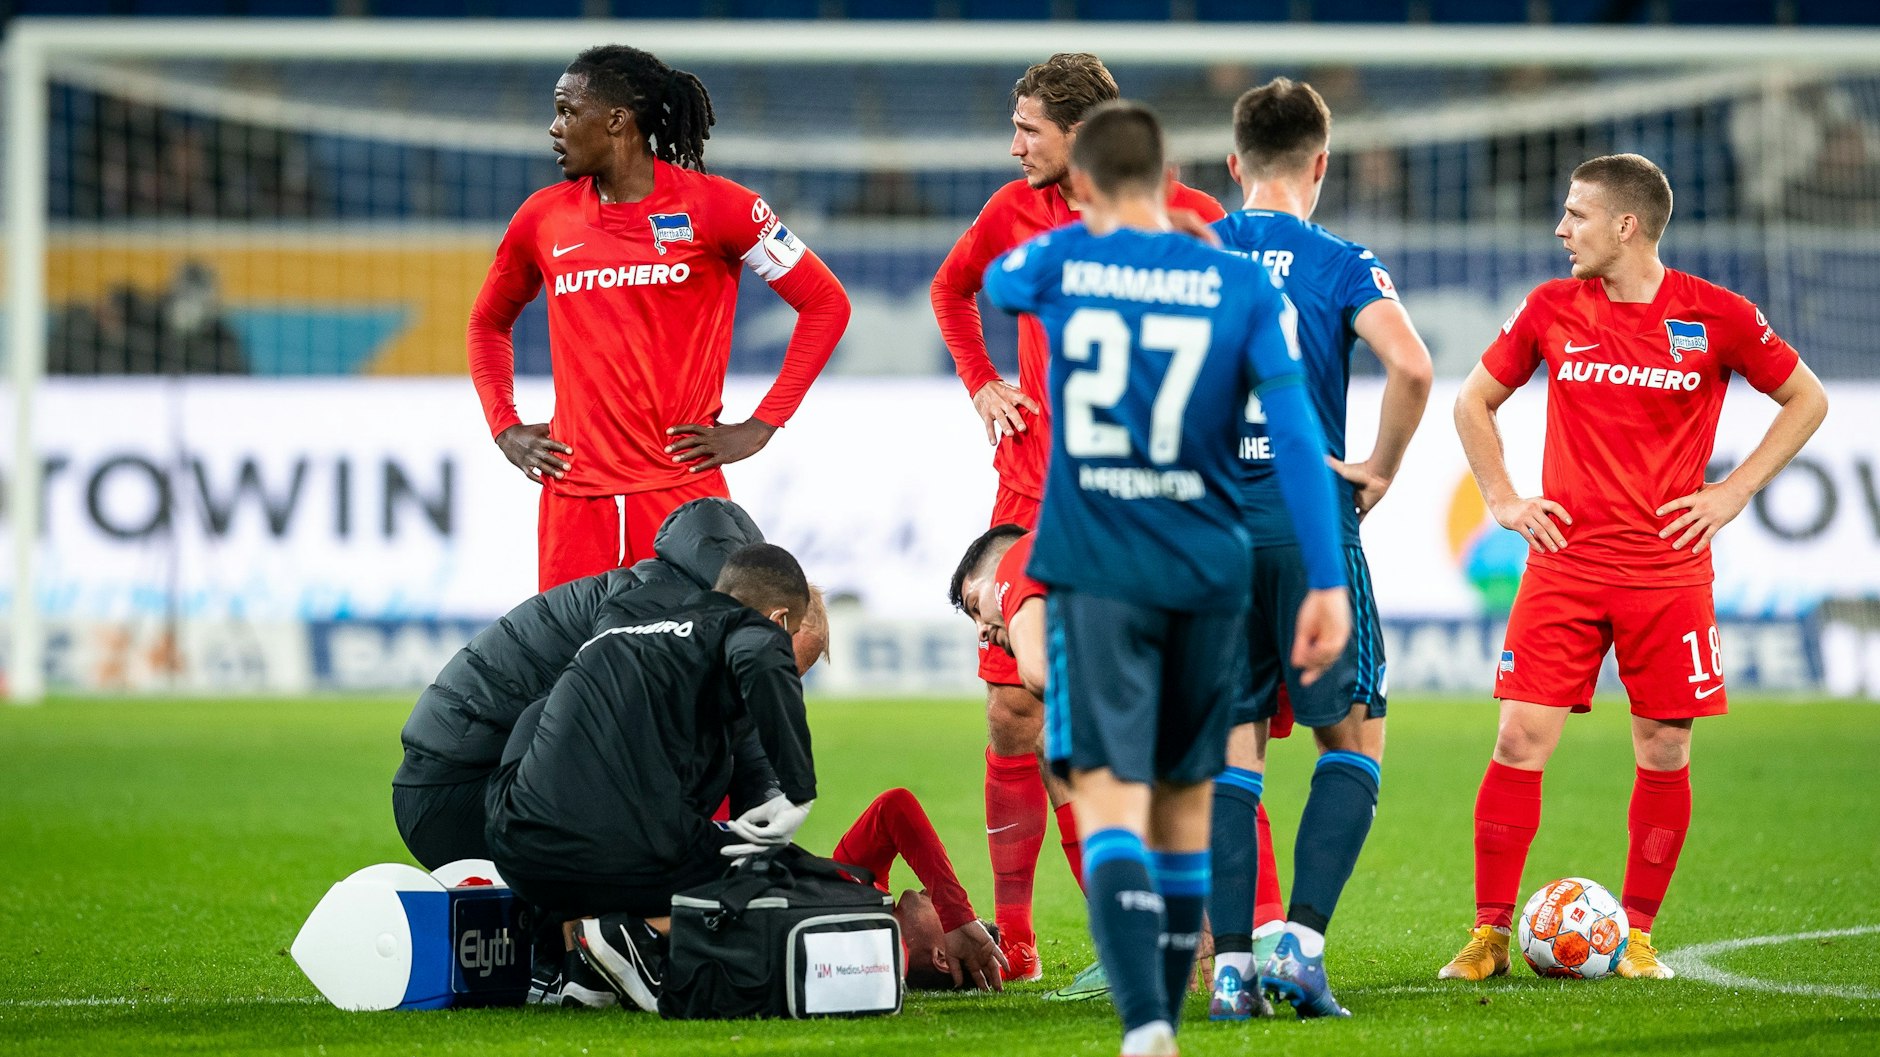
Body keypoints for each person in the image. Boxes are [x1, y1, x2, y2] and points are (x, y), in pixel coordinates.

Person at [981, 101, 1351, 1057]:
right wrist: (1325, 580)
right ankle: (1181, 1005)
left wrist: (1088, 235)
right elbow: (1301, 440)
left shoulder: (1063, 260)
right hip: (1207, 573)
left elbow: (1000, 276)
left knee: (1106, 796)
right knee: (1189, 806)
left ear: (1090, 185)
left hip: (1097, 569)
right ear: (1171, 176)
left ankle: (1148, 1026)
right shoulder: (1234, 284)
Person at [1439, 154, 1827, 982]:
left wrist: (1734, 490)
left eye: (1576, 214)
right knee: (1517, 737)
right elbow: (1471, 400)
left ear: (1626, 225)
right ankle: (1489, 935)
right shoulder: (1550, 307)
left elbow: (1808, 398)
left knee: (1662, 749)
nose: (1561, 229)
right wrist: (1505, 498)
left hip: (1669, 571)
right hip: (1564, 565)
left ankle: (1638, 935)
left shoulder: (1717, 316)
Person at [929, 51, 1228, 984]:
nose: (1012, 145)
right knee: (1014, 712)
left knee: (1136, 721)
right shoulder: (1012, 211)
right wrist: (983, 382)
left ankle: (1178, 932)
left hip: (1138, 509)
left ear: (1083, 137)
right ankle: (1017, 938)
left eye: (1029, 131)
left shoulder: (1188, 216)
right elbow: (952, 288)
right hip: (1030, 497)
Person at [1204, 77, 1435, 1021]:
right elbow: (1414, 365)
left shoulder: (1192, 254)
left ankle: (1226, 973)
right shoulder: (1341, 260)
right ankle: (1297, 947)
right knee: (1354, 734)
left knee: (1231, 750)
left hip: (1210, 528)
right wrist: (1376, 468)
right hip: (1308, 519)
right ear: (1321, 165)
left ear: (1232, 166)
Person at [468, 44, 850, 593]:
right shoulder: (541, 218)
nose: (554, 127)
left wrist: (763, 424)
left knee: (695, 667)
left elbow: (826, 303)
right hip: (575, 498)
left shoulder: (720, 207)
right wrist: (504, 425)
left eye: (567, 111)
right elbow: (486, 323)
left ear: (618, 121)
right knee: (578, 672)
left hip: (682, 492)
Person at [391, 498, 825, 871]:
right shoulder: (664, 613)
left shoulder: (711, 614)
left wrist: (771, 815)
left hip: (471, 773)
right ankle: (578, 948)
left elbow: (751, 757)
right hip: (456, 790)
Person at [487, 543, 820, 1013]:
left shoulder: (621, 626)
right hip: (612, 851)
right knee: (772, 872)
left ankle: (588, 976)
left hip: (519, 852)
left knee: (658, 829)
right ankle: (636, 933)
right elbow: (761, 657)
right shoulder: (744, 628)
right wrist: (798, 792)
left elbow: (533, 718)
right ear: (779, 619)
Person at [832, 788, 1009, 992]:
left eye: (969, 922)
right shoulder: (869, 886)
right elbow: (894, 805)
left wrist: (955, 914)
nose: (930, 891)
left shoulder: (871, 966)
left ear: (941, 957)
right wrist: (955, 910)